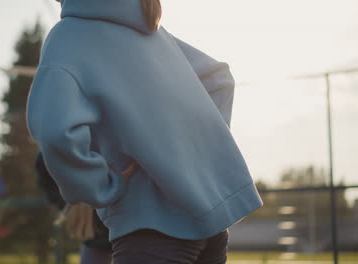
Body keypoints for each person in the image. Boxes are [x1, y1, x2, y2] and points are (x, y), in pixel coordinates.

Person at [27, 0, 263, 263]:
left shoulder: (68, 35)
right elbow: (219, 80)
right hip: (212, 230)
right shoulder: (152, 32)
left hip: (150, 230)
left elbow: (56, 133)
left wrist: (100, 187)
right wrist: (196, 159)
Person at [35, 153, 112, 264]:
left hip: (127, 224)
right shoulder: (48, 155)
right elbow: (48, 185)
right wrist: (71, 204)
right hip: (96, 232)